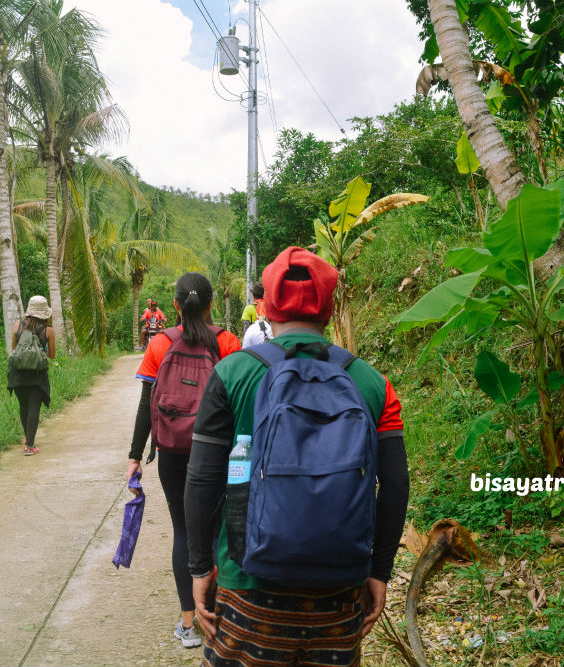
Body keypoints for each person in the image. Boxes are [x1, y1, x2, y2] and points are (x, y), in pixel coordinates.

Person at [184, 247, 410, 667]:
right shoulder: (374, 383)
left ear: (267, 305)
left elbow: (201, 479)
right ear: (329, 306)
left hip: (246, 585)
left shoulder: (232, 372)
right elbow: (395, 485)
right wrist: (378, 571)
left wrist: (200, 568)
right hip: (339, 594)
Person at [127, 273, 241, 649]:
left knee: (183, 531)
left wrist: (135, 455)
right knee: (218, 531)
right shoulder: (227, 342)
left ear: (175, 305)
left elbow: (147, 403)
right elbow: (239, 403)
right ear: (210, 305)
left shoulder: (160, 343)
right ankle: (220, 616)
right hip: (219, 453)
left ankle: (189, 624)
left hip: (173, 452)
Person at [8, 295, 56, 455]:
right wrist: (39, 353)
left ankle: (28, 438)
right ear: (44, 313)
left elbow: (14, 350)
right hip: (36, 375)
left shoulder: (17, 326)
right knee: (34, 407)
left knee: (24, 406)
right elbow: (52, 355)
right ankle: (29, 445)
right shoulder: (48, 331)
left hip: (18, 374)